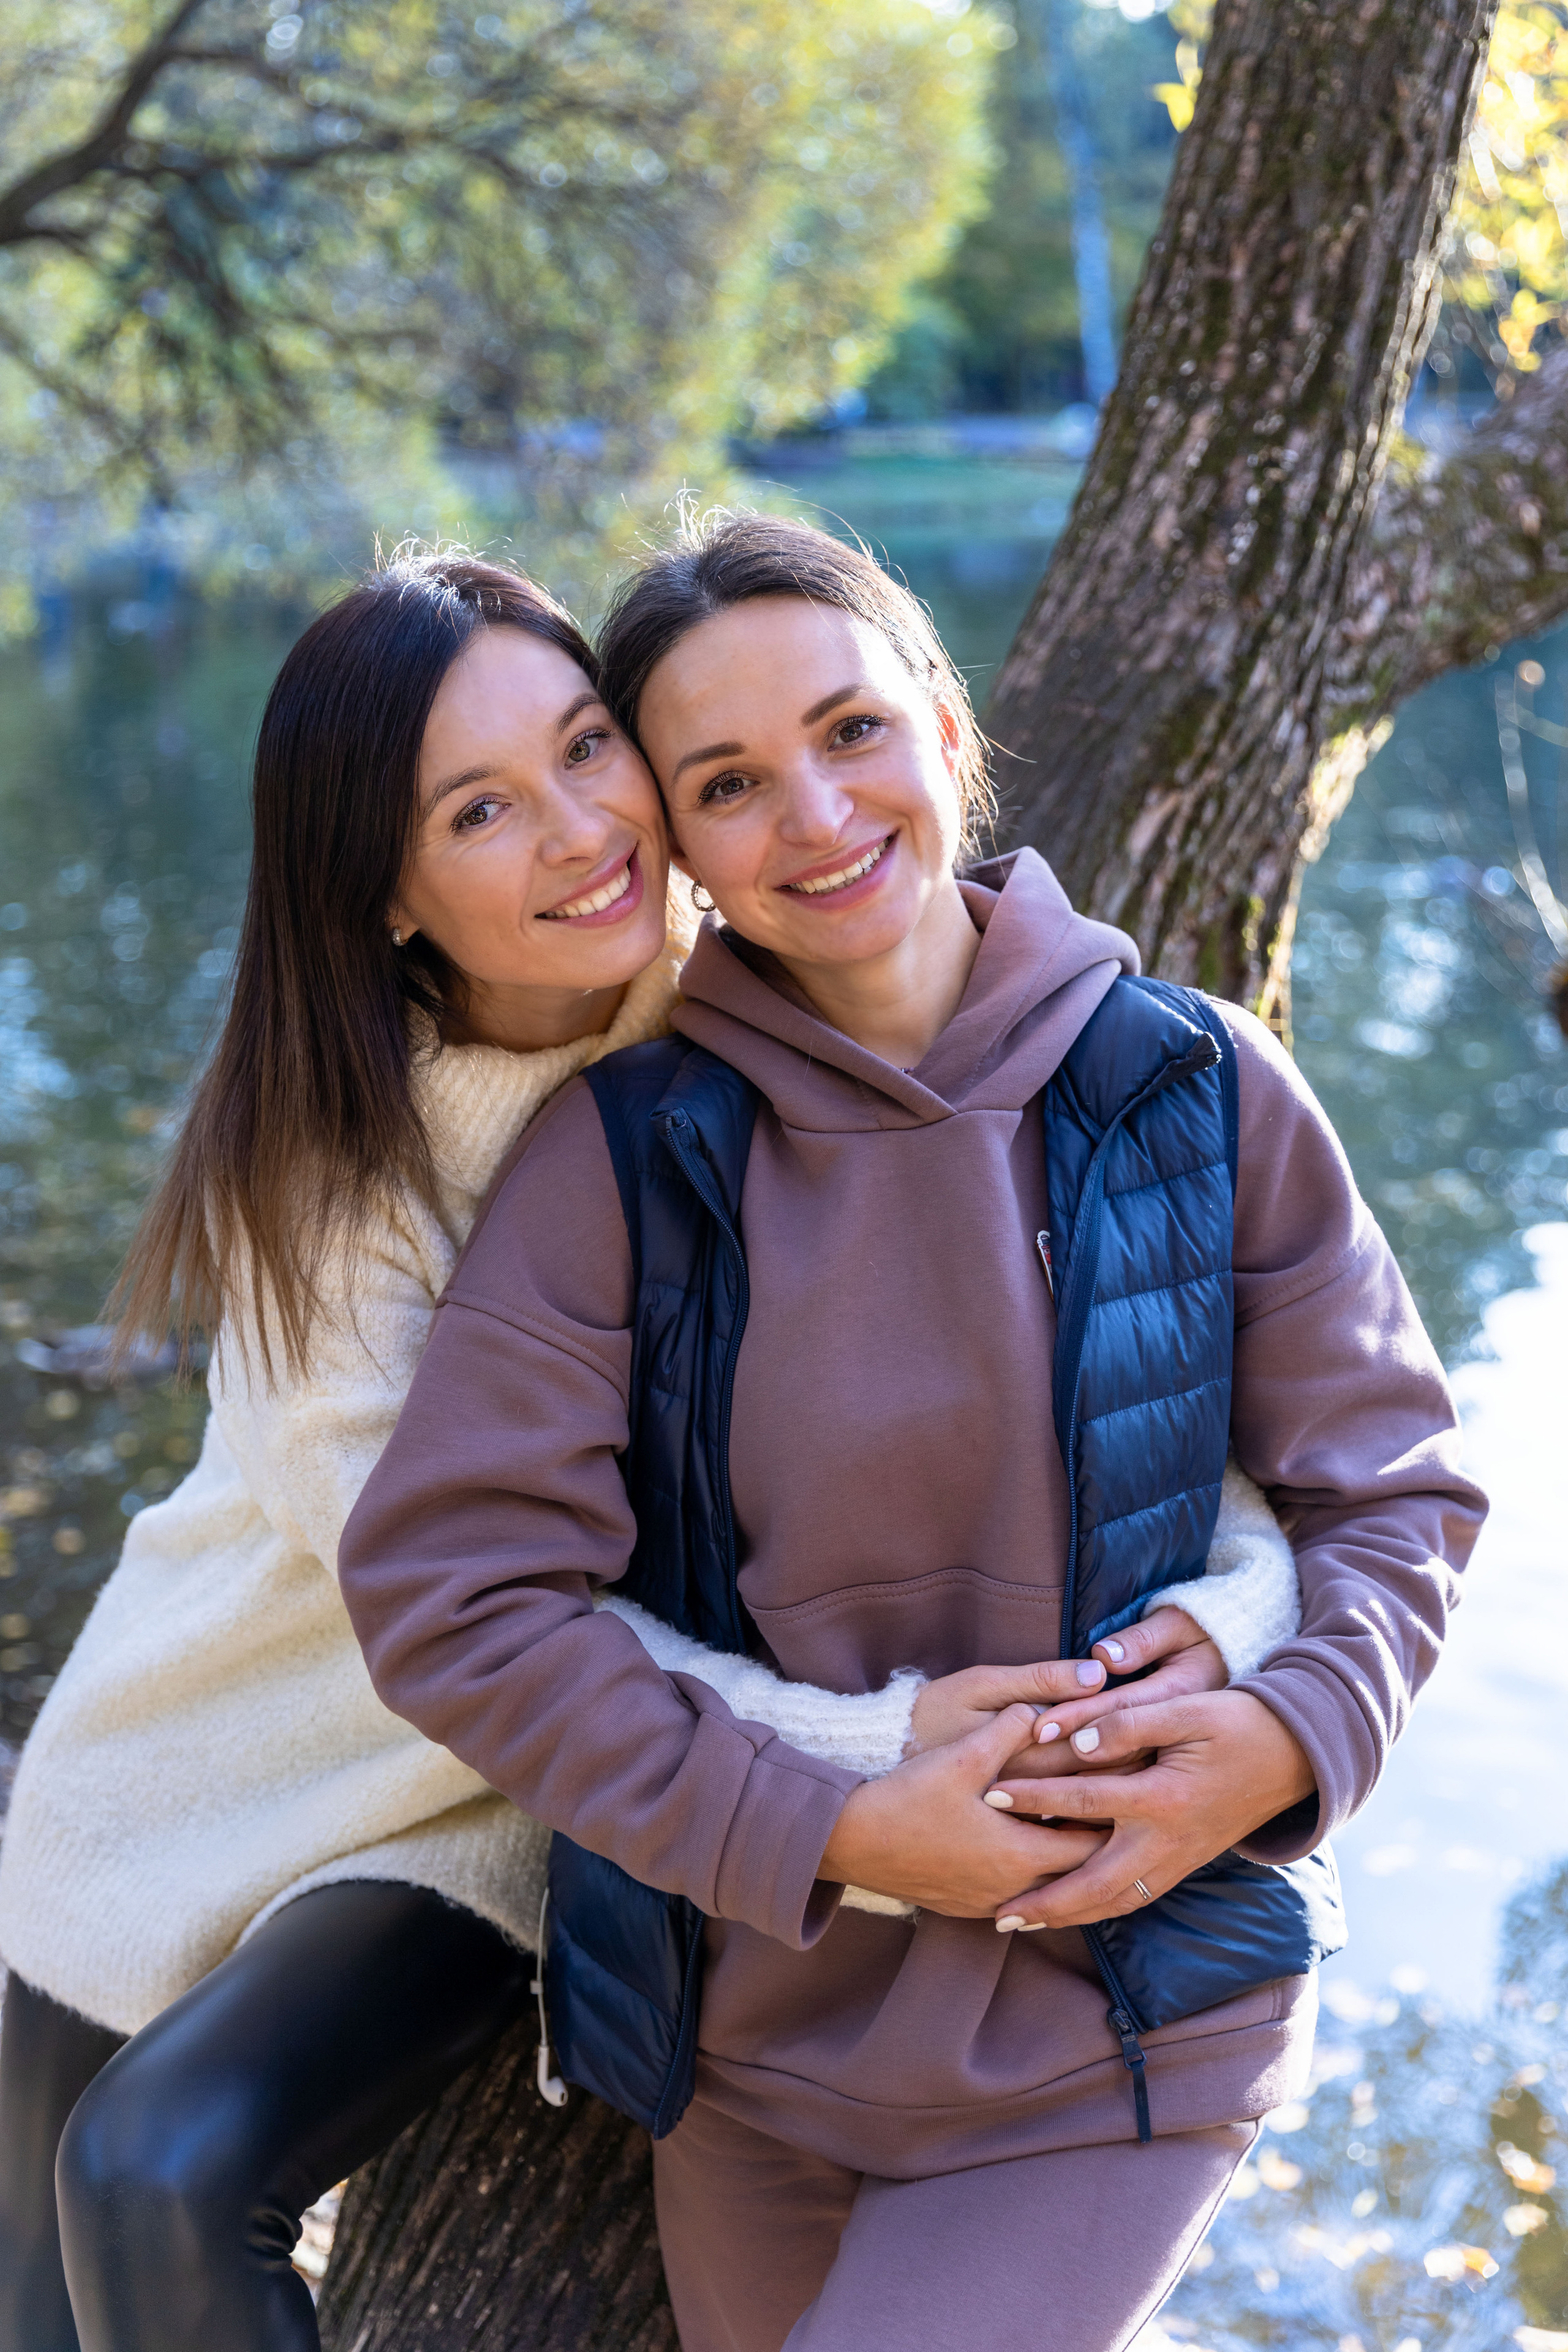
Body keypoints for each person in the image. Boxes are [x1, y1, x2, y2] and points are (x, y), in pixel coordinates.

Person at [0, 549, 1289, 2352]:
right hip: (221, 1742)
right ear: (383, 894)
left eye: (591, 750)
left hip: (505, 1799)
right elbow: (450, 1604)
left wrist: (1241, 1615)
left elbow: (1098, 1372)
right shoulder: (333, 1169)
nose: (579, 832)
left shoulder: (756, 1031)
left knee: (157, 2179)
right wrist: (865, 1769)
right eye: (480, 808)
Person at [338, 513, 1487, 2352]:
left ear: (946, 728)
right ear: (682, 846)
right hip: (754, 2068)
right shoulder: (630, 1158)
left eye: (851, 730)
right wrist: (841, 1816)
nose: (811, 813)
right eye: (728, 781)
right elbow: (455, 1603)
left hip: (1125, 2023)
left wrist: (1282, 1735)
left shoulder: (1191, 1087)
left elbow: (1398, 1493)